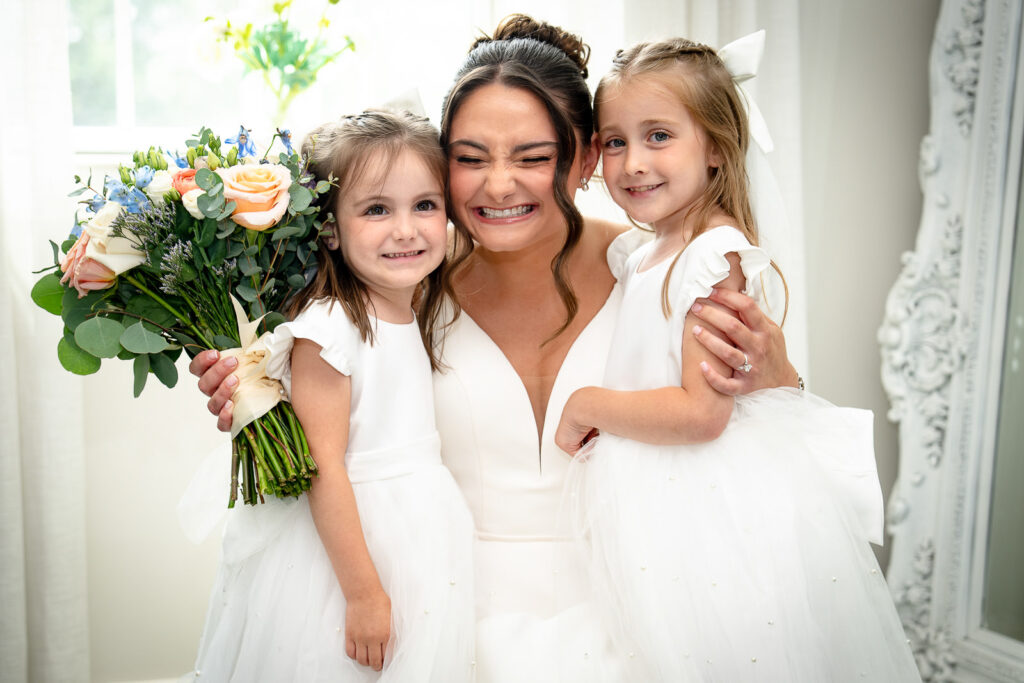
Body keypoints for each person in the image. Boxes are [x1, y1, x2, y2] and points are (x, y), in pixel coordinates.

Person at [191, 16, 798, 682]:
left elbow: (746, 442)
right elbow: (311, 384)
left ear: (588, 157)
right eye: (470, 158)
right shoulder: (403, 283)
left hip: (638, 599)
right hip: (439, 606)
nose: (498, 185)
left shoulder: (651, 268)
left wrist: (776, 373)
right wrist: (247, 383)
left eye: (533, 157)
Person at [553, 35, 921, 681]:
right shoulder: (641, 254)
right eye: (615, 141)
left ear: (716, 147)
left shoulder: (711, 255)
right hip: (648, 487)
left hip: (699, 495)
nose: (633, 162)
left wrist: (586, 405)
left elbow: (702, 413)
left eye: (659, 135)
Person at [187, 110, 475, 682]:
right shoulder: (330, 328)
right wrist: (364, 594)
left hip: (418, 527)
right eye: (376, 209)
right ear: (329, 230)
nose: (406, 229)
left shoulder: (414, 305)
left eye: (425, 204)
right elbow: (324, 469)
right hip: (350, 548)